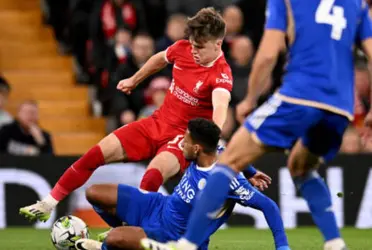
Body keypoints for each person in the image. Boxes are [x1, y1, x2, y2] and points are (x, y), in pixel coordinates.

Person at [142, 1, 372, 250]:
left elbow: (268, 54)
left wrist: (250, 99)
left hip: (299, 95)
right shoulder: (355, 4)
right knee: (301, 167)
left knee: (227, 160)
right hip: (340, 106)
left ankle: (186, 244)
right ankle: (334, 242)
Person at [19, 7, 232, 222]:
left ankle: (131, 232)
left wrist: (212, 138)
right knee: (94, 154)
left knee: (151, 176)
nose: (194, 50)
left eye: (200, 47)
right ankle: (48, 203)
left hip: (182, 137)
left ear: (218, 44)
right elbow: (159, 58)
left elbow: (221, 107)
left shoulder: (221, 75)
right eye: (193, 44)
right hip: (155, 123)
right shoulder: (184, 48)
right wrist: (134, 79)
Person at [75, 118, 290, 250]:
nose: (181, 144)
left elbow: (269, 206)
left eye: (185, 141)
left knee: (113, 239)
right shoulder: (218, 151)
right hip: (158, 206)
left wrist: (282, 246)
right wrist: (251, 172)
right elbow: (234, 153)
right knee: (94, 193)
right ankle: (129, 234)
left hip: (172, 235)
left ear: (197, 148)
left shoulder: (227, 180)